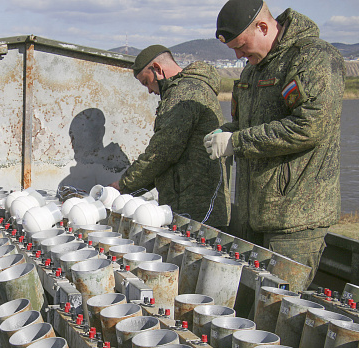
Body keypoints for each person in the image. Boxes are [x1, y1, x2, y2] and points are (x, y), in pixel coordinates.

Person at [205, 0, 344, 289]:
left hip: (294, 221)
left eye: (241, 46)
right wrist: (224, 132)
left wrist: (236, 141)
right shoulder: (252, 69)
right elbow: (245, 124)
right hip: (251, 217)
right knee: (244, 303)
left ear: (263, 27)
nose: (239, 55)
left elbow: (308, 127)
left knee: (277, 305)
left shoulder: (313, 58)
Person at [110, 45, 230, 228]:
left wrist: (123, 186)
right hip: (188, 200)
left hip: (197, 205)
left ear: (157, 69)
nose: (149, 91)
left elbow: (162, 152)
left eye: (146, 82)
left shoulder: (184, 92)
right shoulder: (186, 89)